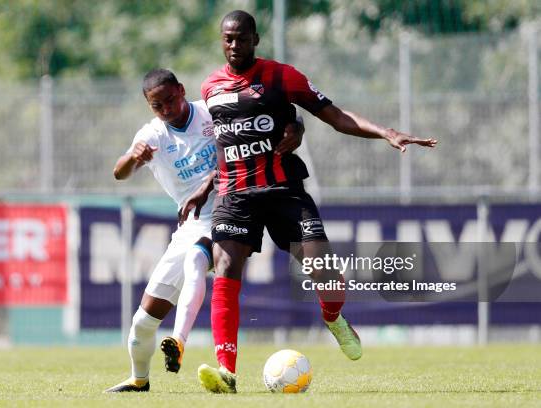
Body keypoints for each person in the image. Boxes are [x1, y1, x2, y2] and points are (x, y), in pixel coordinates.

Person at [179, 10, 438, 394]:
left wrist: (385, 132)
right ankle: (227, 370)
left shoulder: (283, 77)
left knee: (326, 275)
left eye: (242, 38)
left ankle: (333, 318)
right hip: (235, 195)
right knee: (226, 265)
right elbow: (224, 142)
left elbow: (334, 115)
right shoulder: (210, 87)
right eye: (228, 39)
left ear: (256, 40)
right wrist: (207, 185)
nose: (234, 46)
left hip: (285, 191)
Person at [105, 68, 306, 392]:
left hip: (232, 209)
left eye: (170, 100)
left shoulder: (210, 114)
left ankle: (179, 340)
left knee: (195, 262)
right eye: (158, 106)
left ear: (182, 91)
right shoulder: (153, 135)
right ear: (150, 108)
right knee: (142, 323)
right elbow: (119, 172)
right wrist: (132, 156)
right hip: (192, 224)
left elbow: (251, 135)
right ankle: (139, 380)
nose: (166, 109)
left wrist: (296, 125)